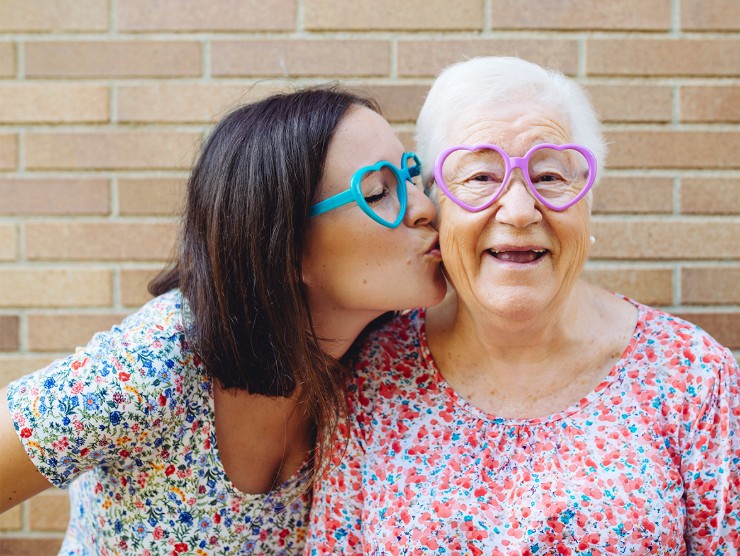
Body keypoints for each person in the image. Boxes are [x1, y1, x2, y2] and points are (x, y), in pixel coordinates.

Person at [307, 57, 740, 554]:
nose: (517, 211)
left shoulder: (692, 373)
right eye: (481, 178)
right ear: (434, 208)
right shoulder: (370, 371)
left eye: (551, 176)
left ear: (588, 202)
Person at [0, 85, 447, 555]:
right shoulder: (146, 368)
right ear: (284, 245)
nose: (423, 208)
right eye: (379, 193)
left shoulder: (381, 366)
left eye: (411, 177)